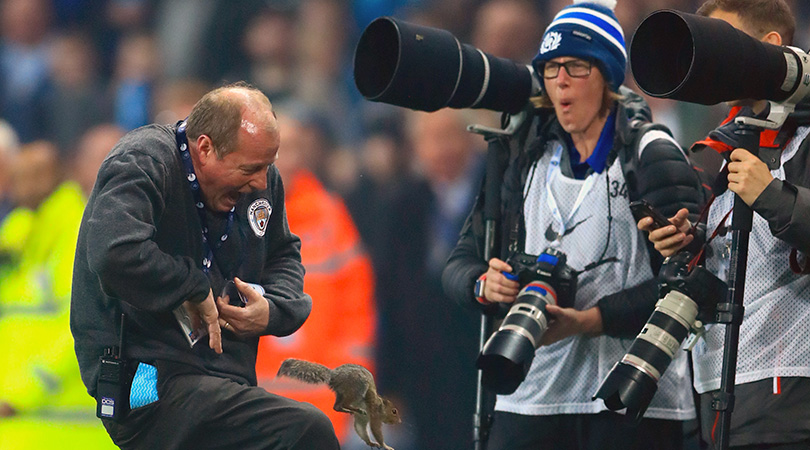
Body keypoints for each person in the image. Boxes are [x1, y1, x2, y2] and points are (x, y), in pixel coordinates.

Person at [442, 1, 704, 449]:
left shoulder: (648, 155)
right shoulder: (521, 157)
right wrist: (484, 285)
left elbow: (690, 283)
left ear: (608, 76)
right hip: (529, 398)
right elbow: (459, 264)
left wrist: (592, 319)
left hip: (628, 402)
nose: (560, 80)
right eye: (550, 68)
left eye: (577, 67)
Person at [70, 83, 340, 449]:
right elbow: (113, 251)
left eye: (267, 167)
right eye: (251, 168)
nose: (262, 182)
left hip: (225, 377)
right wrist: (192, 287)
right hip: (146, 380)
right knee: (306, 430)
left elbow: (282, 253)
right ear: (205, 148)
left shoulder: (260, 181)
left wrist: (273, 308)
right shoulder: (144, 159)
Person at [642, 1, 810, 448]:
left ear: (769, 47)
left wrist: (771, 195)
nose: (708, 61)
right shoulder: (731, 138)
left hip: (788, 395)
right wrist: (691, 240)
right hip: (718, 388)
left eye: (722, 42)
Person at [254, 109, 376, 445]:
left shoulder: (330, 217)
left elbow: (356, 312)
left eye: (293, 148)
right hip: (250, 403)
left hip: (322, 403)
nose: (284, 159)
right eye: (274, 149)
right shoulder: (233, 215)